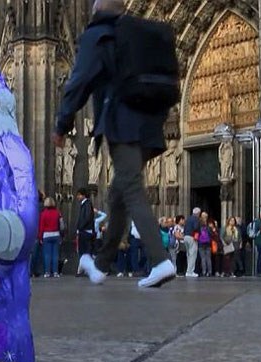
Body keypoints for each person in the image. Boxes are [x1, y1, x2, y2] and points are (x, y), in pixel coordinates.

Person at [54, 0, 176, 288]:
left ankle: (160, 260)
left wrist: (62, 124)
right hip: (152, 122)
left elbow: (80, 81)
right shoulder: (136, 33)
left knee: (131, 188)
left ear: (95, 10)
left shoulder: (99, 34)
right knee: (117, 193)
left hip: (123, 124)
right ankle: (100, 264)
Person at [38, 197, 63, 278]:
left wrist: (40, 237)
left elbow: (41, 226)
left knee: (47, 254)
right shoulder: (58, 213)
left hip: (46, 235)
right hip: (56, 234)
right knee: (55, 254)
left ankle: (47, 272)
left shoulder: (43, 213)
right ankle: (55, 272)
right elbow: (61, 225)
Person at [74, 187, 95, 277]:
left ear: (83, 195)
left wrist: (80, 227)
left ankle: (84, 270)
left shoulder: (87, 204)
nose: (78, 197)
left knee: (84, 251)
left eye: (79, 195)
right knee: (85, 251)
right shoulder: (85, 204)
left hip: (85, 231)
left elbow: (86, 217)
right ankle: (83, 270)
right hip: (85, 230)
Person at [182, 207, 201, 278]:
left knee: (188, 254)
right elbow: (196, 227)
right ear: (198, 213)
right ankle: (190, 272)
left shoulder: (188, 219)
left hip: (185, 237)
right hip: (192, 237)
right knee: (193, 255)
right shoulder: (196, 219)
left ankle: (188, 271)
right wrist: (198, 232)